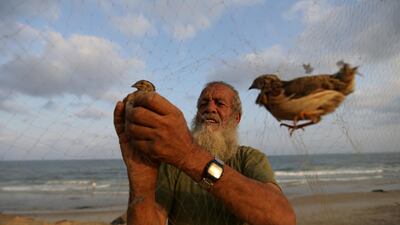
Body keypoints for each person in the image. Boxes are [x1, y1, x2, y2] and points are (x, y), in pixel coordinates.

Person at [113, 81, 296, 225]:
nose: (210, 108)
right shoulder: (172, 165)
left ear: (236, 118)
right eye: (203, 103)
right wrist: (141, 175)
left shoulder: (249, 158)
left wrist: (189, 155)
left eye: (220, 103)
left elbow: (282, 219)